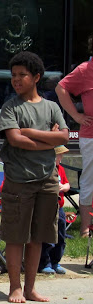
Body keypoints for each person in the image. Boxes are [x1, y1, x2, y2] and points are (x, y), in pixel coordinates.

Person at [0, 51, 69, 303]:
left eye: (22, 75)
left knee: (38, 236)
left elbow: (63, 137)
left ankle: (31, 288)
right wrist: (45, 140)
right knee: (17, 236)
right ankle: (14, 287)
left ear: (36, 77)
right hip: (19, 180)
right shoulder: (10, 106)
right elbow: (16, 140)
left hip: (48, 180)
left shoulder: (51, 107)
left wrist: (29, 133)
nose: (16, 79)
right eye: (13, 75)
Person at [55, 34, 93, 237]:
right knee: (89, 179)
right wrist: (76, 116)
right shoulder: (85, 69)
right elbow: (61, 88)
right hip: (91, 133)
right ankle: (85, 228)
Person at [39, 145, 70, 275]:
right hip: (48, 206)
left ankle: (56, 261)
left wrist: (64, 187)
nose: (61, 157)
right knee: (48, 236)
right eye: (59, 154)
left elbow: (68, 184)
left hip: (60, 207)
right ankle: (45, 263)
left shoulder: (60, 169)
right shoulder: (45, 169)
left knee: (60, 236)